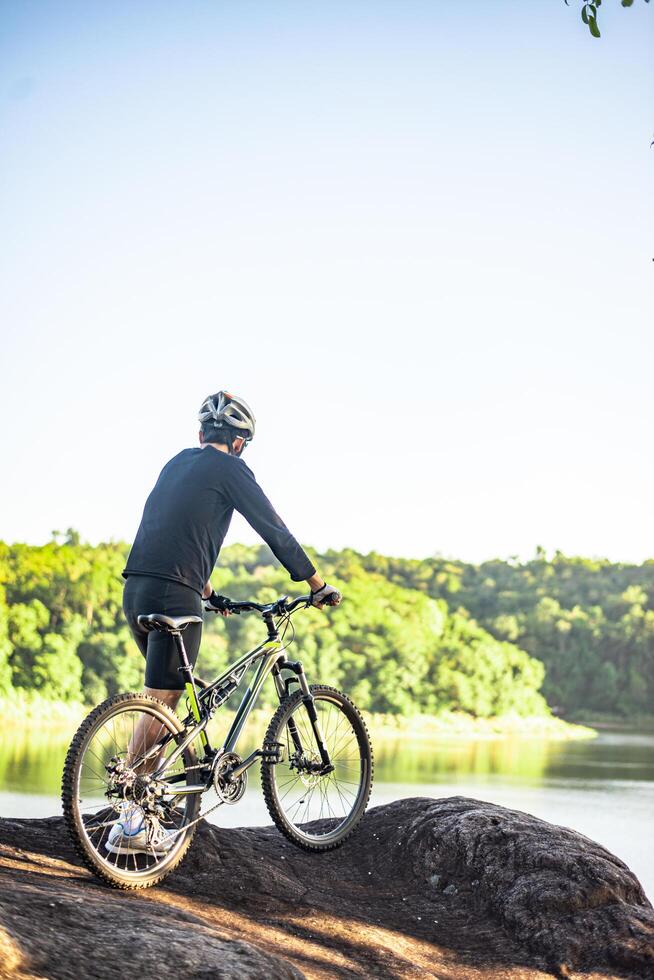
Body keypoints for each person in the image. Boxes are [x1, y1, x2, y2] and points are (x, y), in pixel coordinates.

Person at [106, 390, 341, 855]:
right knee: (164, 699)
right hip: (176, 593)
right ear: (239, 444)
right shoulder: (231, 469)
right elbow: (274, 529)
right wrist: (315, 584)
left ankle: (144, 803)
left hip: (137, 589)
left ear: (200, 435)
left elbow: (171, 530)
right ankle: (131, 821)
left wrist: (210, 593)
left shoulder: (176, 463)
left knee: (171, 696)